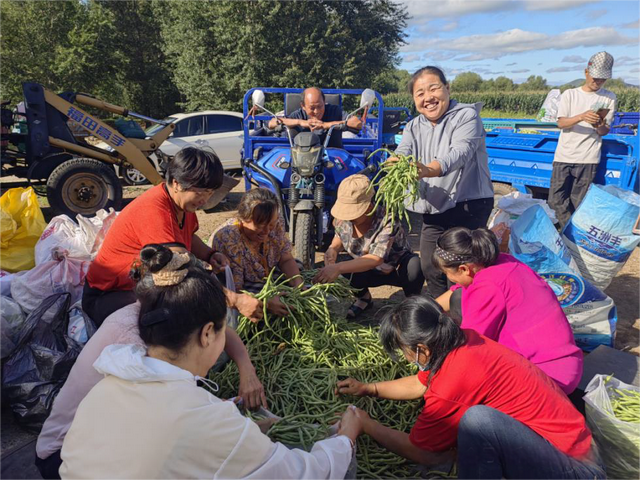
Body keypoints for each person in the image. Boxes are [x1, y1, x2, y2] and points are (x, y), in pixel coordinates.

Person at [59, 244, 361, 480]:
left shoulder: (105, 389)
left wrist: (251, 431)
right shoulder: (207, 422)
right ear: (207, 334)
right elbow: (305, 473)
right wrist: (346, 437)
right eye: (222, 329)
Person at [35, 244, 267, 480]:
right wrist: (234, 434)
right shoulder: (134, 340)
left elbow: (222, 331)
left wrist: (247, 372)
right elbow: (160, 427)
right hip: (65, 452)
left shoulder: (156, 317)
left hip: (101, 438)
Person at [336, 296, 604, 480]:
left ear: (422, 349)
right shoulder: (465, 340)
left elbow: (424, 453)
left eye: (403, 350)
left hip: (574, 470)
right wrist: (368, 388)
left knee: (477, 421)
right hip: (573, 448)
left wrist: (367, 424)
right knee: (475, 424)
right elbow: (421, 383)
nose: (405, 357)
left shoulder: (454, 379)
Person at [82, 146, 262, 326]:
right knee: (178, 316)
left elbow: (188, 236)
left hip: (143, 285)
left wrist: (209, 255)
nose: (205, 200)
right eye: (200, 192)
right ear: (176, 183)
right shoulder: (154, 210)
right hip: (109, 295)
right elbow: (181, 269)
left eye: (210, 192)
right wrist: (234, 299)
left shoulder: (183, 204)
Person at [432, 227, 583, 394]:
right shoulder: (502, 261)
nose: (449, 278)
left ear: (464, 269)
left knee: (466, 391)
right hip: (566, 362)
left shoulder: (488, 287)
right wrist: (428, 309)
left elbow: (468, 345)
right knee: (459, 297)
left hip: (546, 378)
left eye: (447, 273)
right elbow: (457, 290)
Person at [391, 66, 494, 299]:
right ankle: (444, 314)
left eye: (433, 88)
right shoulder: (414, 125)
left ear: (447, 88)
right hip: (435, 204)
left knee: (462, 267)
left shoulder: (467, 116)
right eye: (419, 93)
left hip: (468, 204)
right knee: (430, 264)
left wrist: (428, 170)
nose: (427, 98)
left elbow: (460, 152)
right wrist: (394, 163)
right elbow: (403, 151)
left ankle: (469, 314)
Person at [313, 175, 424, 318]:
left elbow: (375, 259)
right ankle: (364, 298)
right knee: (347, 267)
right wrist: (332, 249)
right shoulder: (342, 220)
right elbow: (339, 237)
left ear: (369, 207)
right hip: (364, 270)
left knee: (414, 266)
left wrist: (337, 268)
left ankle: (411, 302)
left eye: (354, 214)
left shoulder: (386, 219)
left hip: (394, 268)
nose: (349, 218)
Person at [548, 52, 617, 227]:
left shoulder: (609, 97)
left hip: (588, 159)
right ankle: (568, 232)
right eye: (595, 78)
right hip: (564, 156)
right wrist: (581, 117)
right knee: (555, 201)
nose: (598, 82)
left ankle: (570, 238)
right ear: (586, 72)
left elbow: (604, 131)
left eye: (602, 79)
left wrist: (598, 124)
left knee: (579, 203)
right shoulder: (570, 94)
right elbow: (561, 123)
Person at [212, 188, 302, 316]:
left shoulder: (275, 222)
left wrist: (298, 285)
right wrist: (265, 302)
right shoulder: (229, 238)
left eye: (271, 225)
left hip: (265, 273)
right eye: (260, 225)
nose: (267, 231)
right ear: (244, 218)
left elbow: (286, 258)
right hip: (241, 286)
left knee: (298, 267)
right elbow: (235, 290)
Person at [267, 87, 362, 148]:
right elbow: (272, 123)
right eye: (312, 108)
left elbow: (357, 123)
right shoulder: (298, 115)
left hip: (332, 156)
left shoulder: (335, 111)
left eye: (320, 106)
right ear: (303, 106)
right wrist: (300, 122)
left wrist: (326, 125)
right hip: (301, 160)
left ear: (324, 102)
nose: (317, 112)